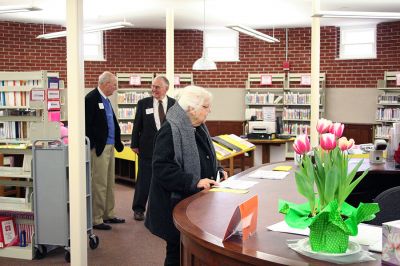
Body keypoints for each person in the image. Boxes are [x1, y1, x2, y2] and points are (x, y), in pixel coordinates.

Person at [145, 85, 227, 266]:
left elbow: (207, 155)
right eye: (206, 107)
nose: (210, 110)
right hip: (174, 205)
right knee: (176, 253)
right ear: (191, 108)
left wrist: (218, 170)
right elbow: (162, 168)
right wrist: (194, 182)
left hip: (195, 202)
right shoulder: (171, 129)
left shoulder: (198, 126)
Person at [130, 76, 176, 221]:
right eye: (153, 86)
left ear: (166, 88)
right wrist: (134, 144)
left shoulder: (174, 104)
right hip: (147, 148)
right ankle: (138, 209)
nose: (154, 89)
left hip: (168, 149)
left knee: (166, 178)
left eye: (157, 87)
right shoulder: (143, 103)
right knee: (144, 179)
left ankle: (164, 209)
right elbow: (137, 124)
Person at [85, 71, 125, 230]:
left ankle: (109, 213)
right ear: (105, 83)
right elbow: (86, 125)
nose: (115, 88)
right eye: (114, 85)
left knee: (109, 182)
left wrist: (118, 142)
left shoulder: (106, 100)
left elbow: (111, 122)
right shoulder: (91, 98)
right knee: (99, 184)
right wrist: (93, 145)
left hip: (110, 146)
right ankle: (96, 218)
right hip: (99, 148)